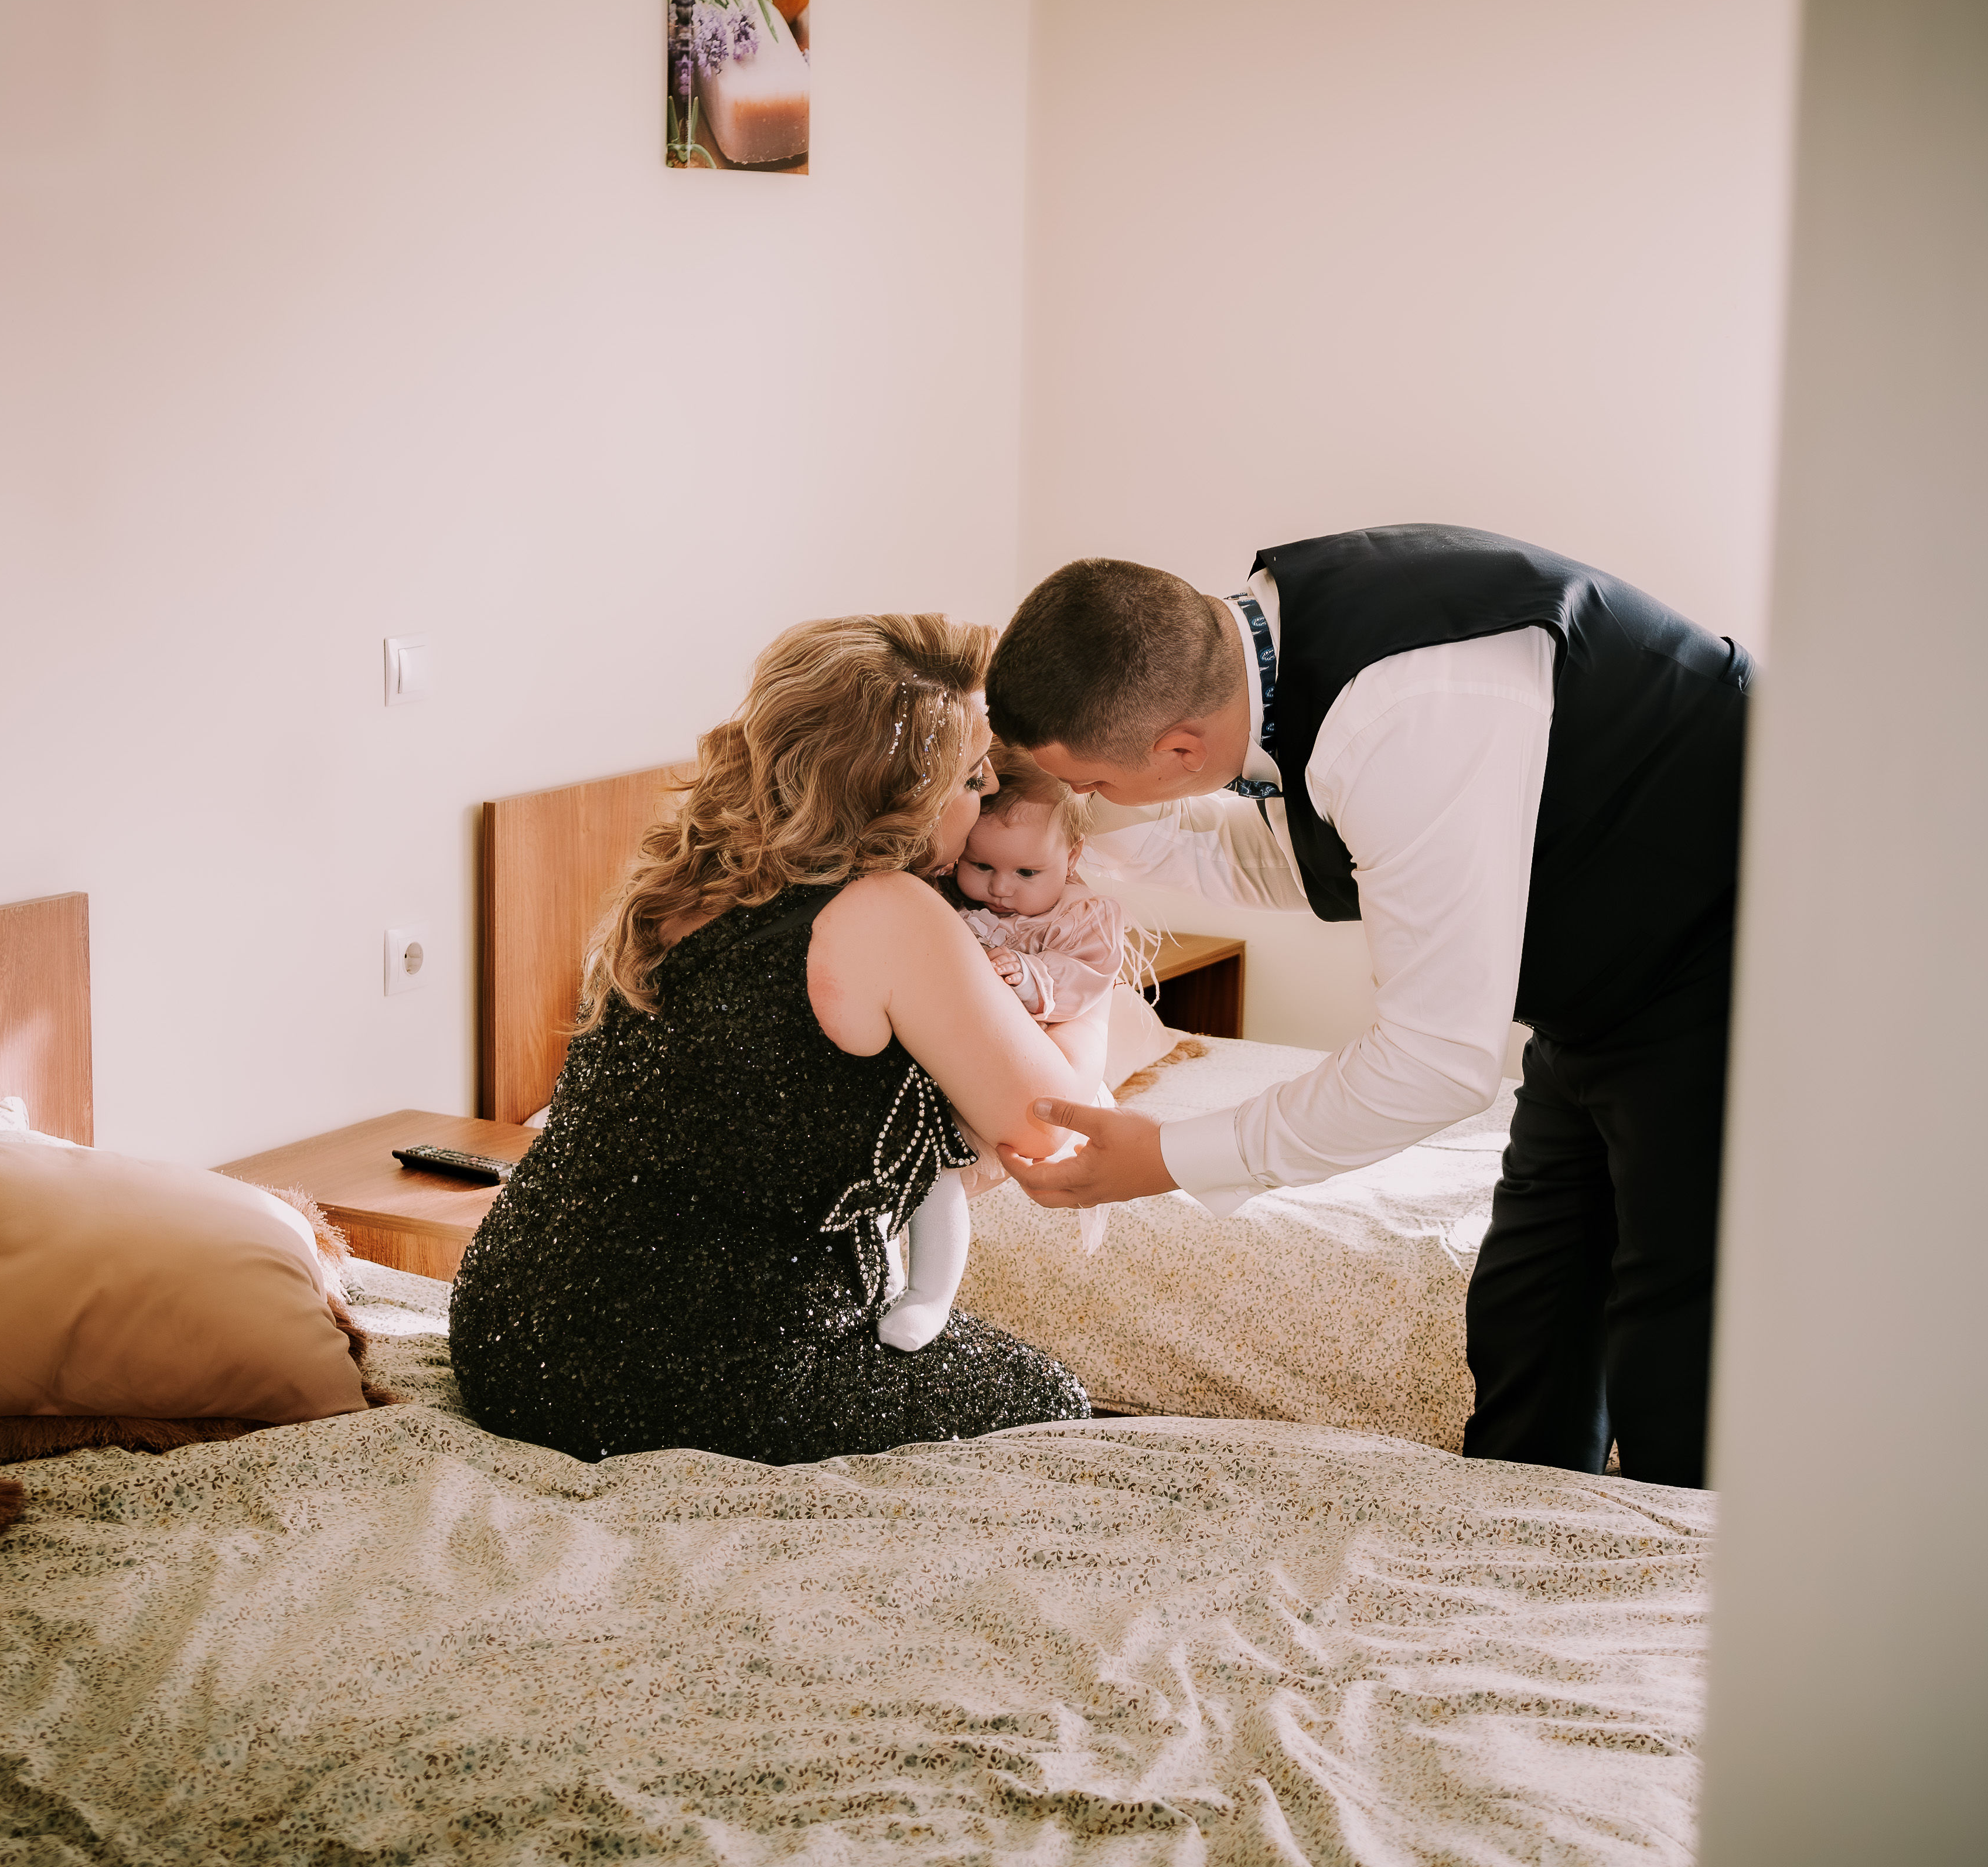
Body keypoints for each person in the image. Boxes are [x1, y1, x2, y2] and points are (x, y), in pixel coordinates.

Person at [983, 524, 1750, 1488]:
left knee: (1675, 1347)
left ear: (1179, 747)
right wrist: (1043, 821)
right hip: (1599, 990)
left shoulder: (1404, 718)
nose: (1083, 802)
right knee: (1532, 1308)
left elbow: (1432, 1063)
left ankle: (1687, 1573)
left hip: (1737, 962)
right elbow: (1294, 857)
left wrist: (1170, 1156)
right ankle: (1513, 1543)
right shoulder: (1275, 648)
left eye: (1092, 784)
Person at [449, 615, 1093, 1464]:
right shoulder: (887, 911)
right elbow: (1061, 1125)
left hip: (507, 1339)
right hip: (701, 1368)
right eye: (973, 777)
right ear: (906, 791)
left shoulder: (679, 880)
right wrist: (1093, 989)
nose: (988, 796)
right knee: (1055, 1400)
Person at [944, 747, 1153, 1092]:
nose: (999, 889)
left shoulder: (1081, 917)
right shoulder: (947, 894)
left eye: (1026, 872)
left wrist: (1028, 976)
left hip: (1034, 1067)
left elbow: (1086, 980)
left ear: (1072, 856)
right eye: (981, 865)